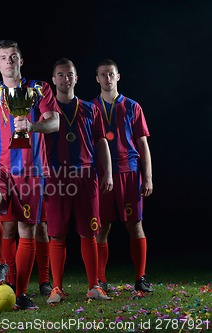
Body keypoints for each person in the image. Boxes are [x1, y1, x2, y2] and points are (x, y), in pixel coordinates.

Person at [0, 40, 60, 310]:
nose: (9, 61)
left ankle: (20, 294)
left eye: (13, 56)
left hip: (31, 169)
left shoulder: (39, 89)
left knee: (26, 229)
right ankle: (0, 261)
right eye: (3, 57)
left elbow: (55, 122)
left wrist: (33, 124)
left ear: (21, 60)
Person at [45, 57, 113, 303]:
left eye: (70, 74)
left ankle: (94, 286)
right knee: (57, 235)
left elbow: (101, 142)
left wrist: (108, 173)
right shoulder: (46, 111)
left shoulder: (89, 108)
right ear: (54, 80)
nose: (66, 79)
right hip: (56, 177)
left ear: (76, 77)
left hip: (86, 176)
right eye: (61, 75)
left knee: (89, 233)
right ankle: (57, 288)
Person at [92, 59, 154, 293]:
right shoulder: (90, 107)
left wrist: (147, 177)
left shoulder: (132, 106)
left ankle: (141, 277)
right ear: (96, 79)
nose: (107, 78)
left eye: (111, 74)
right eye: (102, 74)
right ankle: (100, 278)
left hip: (129, 171)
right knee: (101, 226)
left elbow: (143, 144)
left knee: (134, 224)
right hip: (101, 175)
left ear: (118, 76)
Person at [0, 199, 52, 297]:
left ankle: (44, 281)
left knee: (41, 227)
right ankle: (12, 281)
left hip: (33, 186)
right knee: (9, 227)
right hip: (11, 186)